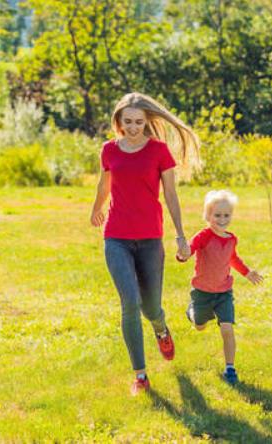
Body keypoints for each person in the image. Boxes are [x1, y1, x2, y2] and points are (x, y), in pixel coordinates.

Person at [90, 92, 198, 395]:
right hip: (116, 238)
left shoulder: (159, 152)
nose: (134, 127)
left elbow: (171, 196)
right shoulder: (109, 150)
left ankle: (161, 328)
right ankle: (140, 375)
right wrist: (96, 208)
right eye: (128, 122)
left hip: (151, 238)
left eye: (139, 122)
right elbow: (104, 183)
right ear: (118, 122)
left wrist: (180, 235)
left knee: (151, 307)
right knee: (130, 303)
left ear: (146, 122)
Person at [178, 190, 263, 385]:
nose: (222, 219)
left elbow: (232, 258)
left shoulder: (231, 239)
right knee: (199, 326)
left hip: (224, 292)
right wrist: (183, 254)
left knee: (227, 327)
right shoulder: (204, 235)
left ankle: (230, 368)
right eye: (217, 215)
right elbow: (190, 248)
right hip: (202, 292)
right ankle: (191, 311)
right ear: (208, 216)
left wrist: (247, 272)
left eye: (226, 215)